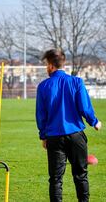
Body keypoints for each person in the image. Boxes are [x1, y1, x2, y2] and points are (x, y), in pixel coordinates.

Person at [36, 49, 102, 202]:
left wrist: (43, 135)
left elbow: (41, 115)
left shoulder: (43, 86)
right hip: (76, 135)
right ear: (63, 63)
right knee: (80, 175)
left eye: (46, 64)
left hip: (54, 137)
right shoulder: (76, 82)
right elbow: (84, 107)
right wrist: (94, 122)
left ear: (51, 65)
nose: (46, 67)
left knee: (55, 179)